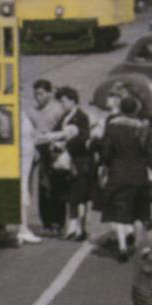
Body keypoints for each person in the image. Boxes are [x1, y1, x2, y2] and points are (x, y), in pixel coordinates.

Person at [97, 95, 152, 262]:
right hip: (139, 174)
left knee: (119, 211)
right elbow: (150, 155)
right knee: (139, 211)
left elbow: (106, 153)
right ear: (137, 110)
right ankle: (138, 246)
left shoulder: (112, 127)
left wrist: (107, 164)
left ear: (122, 109)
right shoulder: (143, 129)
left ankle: (122, 246)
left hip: (118, 173)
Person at [24, 78, 67, 235]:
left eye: (41, 94)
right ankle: (47, 222)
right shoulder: (32, 112)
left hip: (55, 151)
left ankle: (58, 222)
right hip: (40, 151)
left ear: (49, 93)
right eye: (36, 94)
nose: (38, 97)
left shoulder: (58, 110)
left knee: (56, 187)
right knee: (43, 187)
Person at [53, 85, 95, 241]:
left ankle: (80, 228)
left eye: (64, 101)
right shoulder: (65, 117)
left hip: (80, 161)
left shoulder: (81, 117)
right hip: (69, 162)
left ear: (72, 100)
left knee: (80, 197)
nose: (62, 104)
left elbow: (84, 138)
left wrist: (65, 144)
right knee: (71, 196)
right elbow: (57, 132)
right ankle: (72, 228)